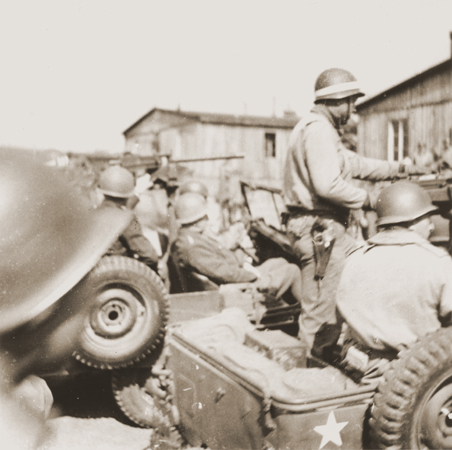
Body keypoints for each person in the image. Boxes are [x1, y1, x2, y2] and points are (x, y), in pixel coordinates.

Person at [283, 67, 425, 362]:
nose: (352, 110)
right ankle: (308, 376)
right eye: (350, 102)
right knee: (319, 312)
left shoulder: (317, 129)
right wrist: (369, 199)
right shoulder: (319, 130)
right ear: (336, 101)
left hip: (325, 231)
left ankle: (327, 354)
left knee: (359, 277)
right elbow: (328, 185)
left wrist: (400, 169)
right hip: (321, 232)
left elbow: (353, 164)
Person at [0, 149, 133, 449]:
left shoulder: (27, 398)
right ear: (44, 309)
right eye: (80, 281)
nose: (92, 295)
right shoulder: (14, 433)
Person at [336, 181, 452, 385]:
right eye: (427, 218)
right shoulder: (438, 263)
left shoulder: (354, 258)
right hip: (412, 374)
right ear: (413, 221)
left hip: (358, 366)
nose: (432, 225)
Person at [171, 192, 303, 305]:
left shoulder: (190, 238)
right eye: (204, 216)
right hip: (233, 293)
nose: (207, 218)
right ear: (196, 220)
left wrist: (244, 265)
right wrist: (253, 274)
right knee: (292, 270)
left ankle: (287, 307)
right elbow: (224, 273)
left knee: (280, 262)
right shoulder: (193, 246)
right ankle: (308, 314)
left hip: (233, 281)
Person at [98, 165, 160, 274]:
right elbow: (150, 256)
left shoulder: (94, 213)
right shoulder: (125, 218)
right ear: (128, 194)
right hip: (120, 278)